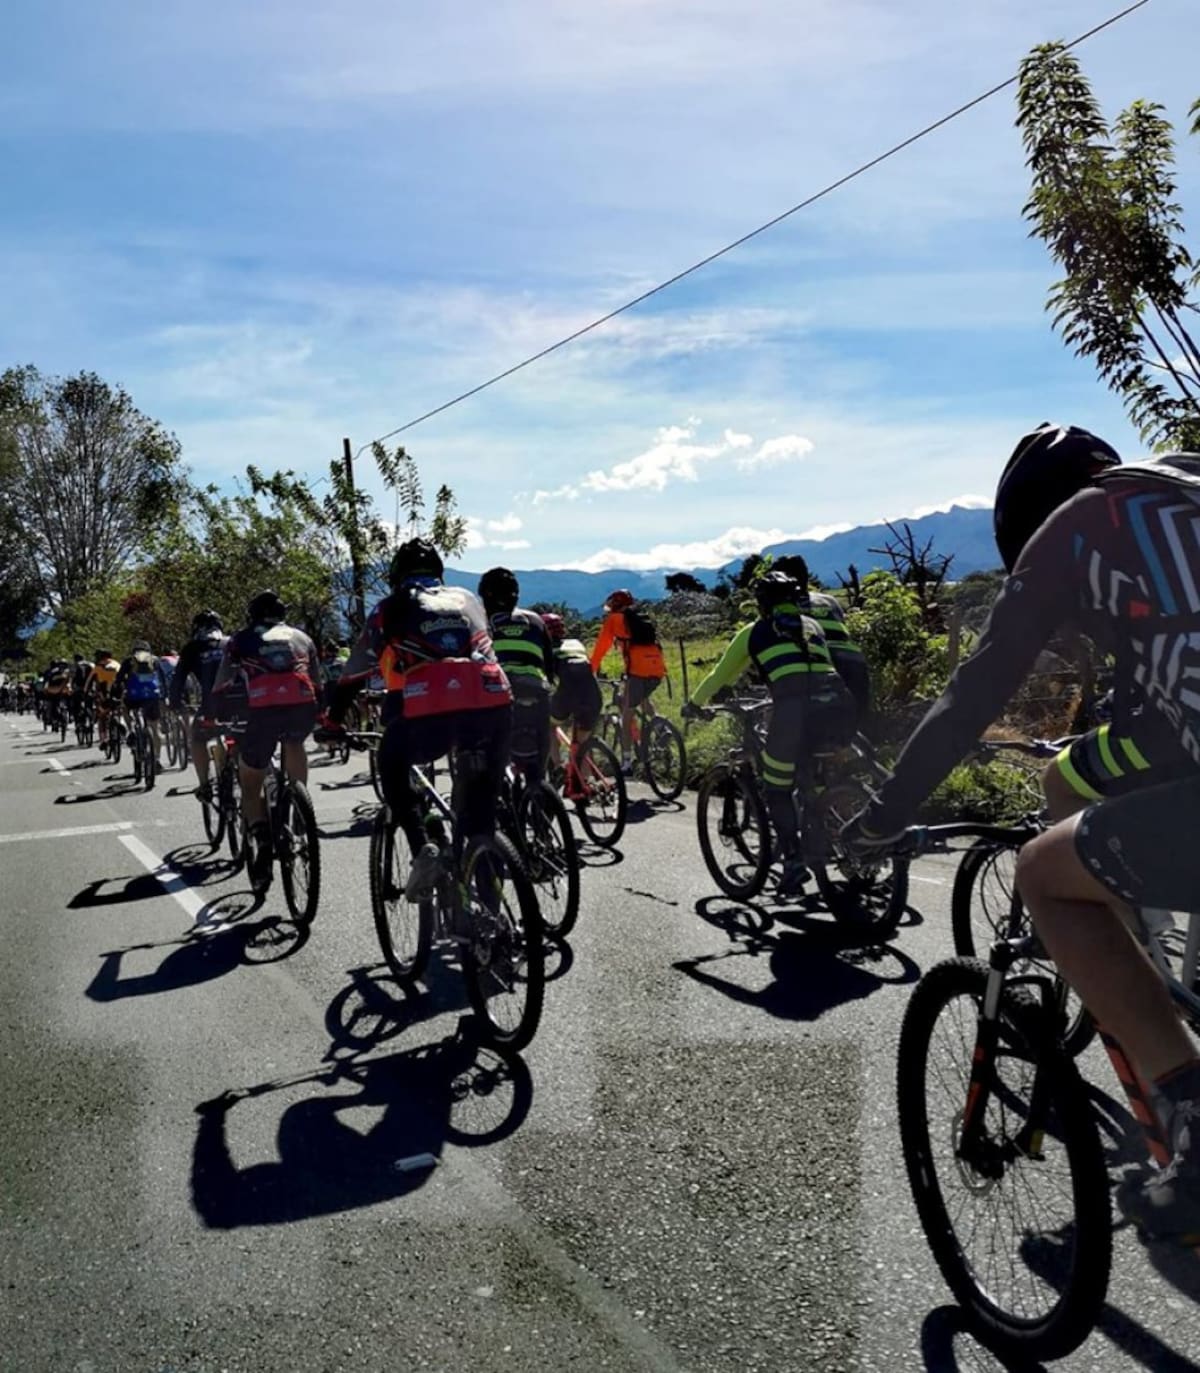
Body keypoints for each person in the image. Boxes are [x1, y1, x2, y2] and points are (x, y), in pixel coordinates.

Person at [841, 422, 1200, 1240]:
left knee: (1042, 871)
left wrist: (882, 817)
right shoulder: (1180, 495)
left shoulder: (1081, 526)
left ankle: (1189, 1110)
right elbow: (1161, 727)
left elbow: (971, 697)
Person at [323, 539, 512, 899]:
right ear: (438, 573)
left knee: (393, 767)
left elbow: (352, 674)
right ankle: (493, 915)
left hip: (428, 711)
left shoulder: (388, 608)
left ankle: (422, 847)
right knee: (481, 819)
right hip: (493, 707)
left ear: (397, 576)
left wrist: (333, 718)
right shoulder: (468, 599)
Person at [684, 570, 856, 896]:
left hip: (794, 713)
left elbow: (721, 675)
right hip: (839, 706)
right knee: (813, 777)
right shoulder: (814, 626)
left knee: (777, 788)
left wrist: (693, 704)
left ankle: (793, 862)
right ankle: (832, 831)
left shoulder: (754, 632)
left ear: (761, 604)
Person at [213, 592, 321, 885]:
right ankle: (300, 803)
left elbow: (223, 681)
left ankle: (261, 837)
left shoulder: (240, 639)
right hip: (302, 706)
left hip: (263, 712)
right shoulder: (302, 637)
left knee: (251, 780)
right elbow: (317, 679)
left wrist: (214, 710)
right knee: (295, 743)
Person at [477, 567, 555, 782]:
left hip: (501, 692)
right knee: (539, 759)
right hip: (538, 690)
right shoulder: (536, 620)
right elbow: (549, 663)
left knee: (488, 753)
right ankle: (541, 796)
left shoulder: (481, 623)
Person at [773, 555, 871, 722]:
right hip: (855, 663)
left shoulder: (781, 607)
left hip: (822, 666)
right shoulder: (829, 600)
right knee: (853, 727)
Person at [589, 589, 667, 773]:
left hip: (637, 671)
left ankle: (627, 762)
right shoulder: (641, 617)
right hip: (657, 668)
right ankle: (661, 728)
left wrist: (590, 671)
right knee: (643, 699)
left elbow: (601, 648)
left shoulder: (614, 620)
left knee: (626, 717)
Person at [170, 611, 229, 799]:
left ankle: (204, 784)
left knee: (197, 738)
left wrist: (175, 704)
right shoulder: (231, 643)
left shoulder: (191, 649)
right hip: (243, 703)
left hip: (211, 706)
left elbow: (178, 681)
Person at [542, 613, 603, 787]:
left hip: (567, 695)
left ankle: (557, 767)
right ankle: (586, 783)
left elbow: (545, 678)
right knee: (582, 743)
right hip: (593, 694)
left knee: (550, 724)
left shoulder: (546, 650)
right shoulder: (576, 643)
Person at [114, 641, 170, 779]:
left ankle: (131, 730)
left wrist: (118, 690)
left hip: (134, 696)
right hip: (152, 696)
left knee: (125, 707)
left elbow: (119, 679)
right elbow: (163, 679)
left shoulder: (128, 661)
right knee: (155, 729)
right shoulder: (155, 660)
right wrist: (165, 696)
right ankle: (156, 759)